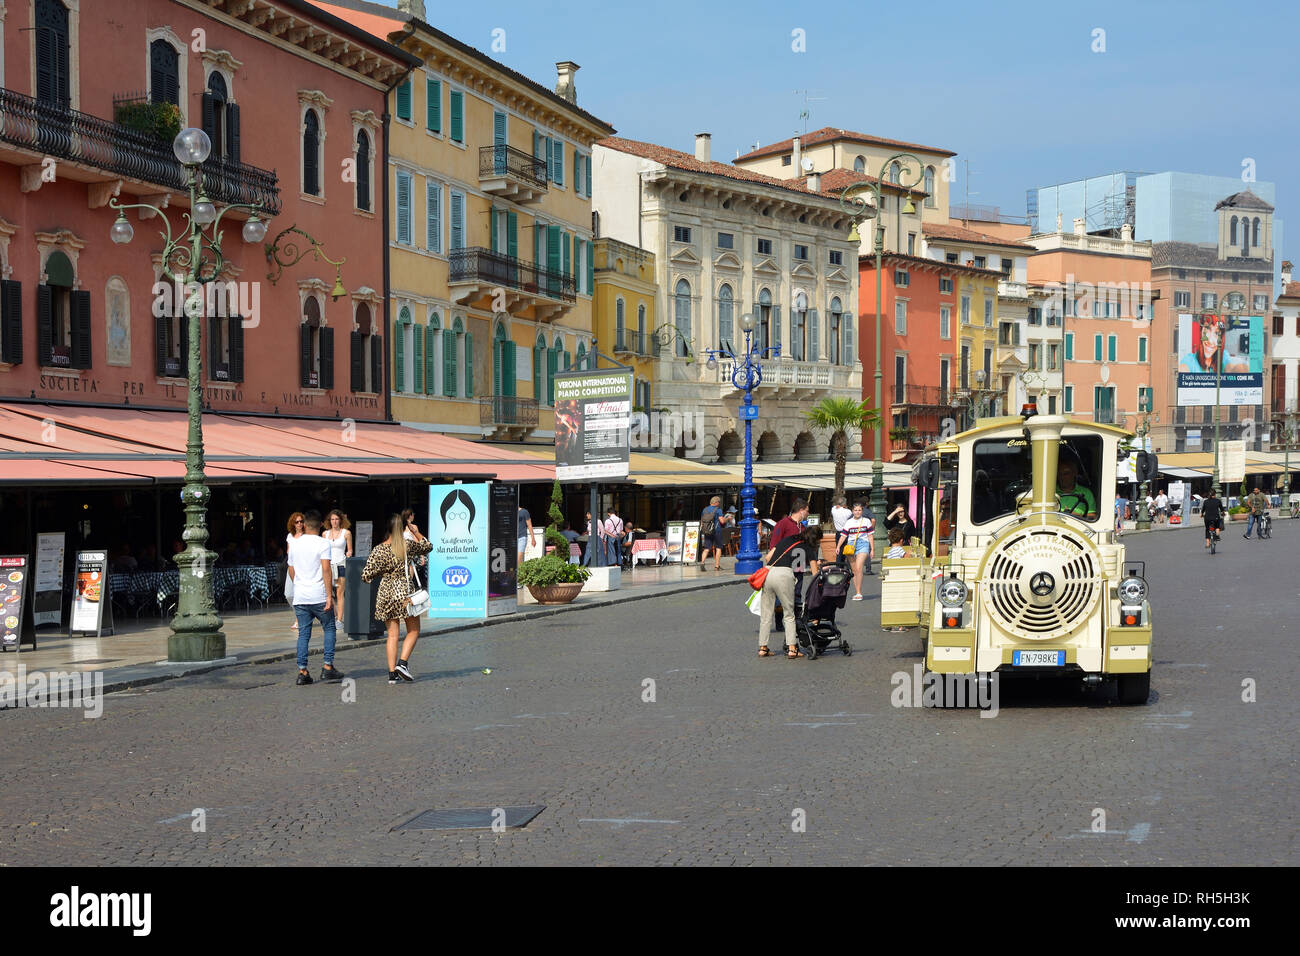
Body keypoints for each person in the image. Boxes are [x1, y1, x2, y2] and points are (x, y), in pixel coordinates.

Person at [362, 513, 432, 684]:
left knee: (392, 635)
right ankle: (403, 663)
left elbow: (366, 575)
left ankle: (392, 674)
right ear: (403, 529)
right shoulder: (407, 545)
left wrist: (383, 572)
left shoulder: (378, 549)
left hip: (386, 592)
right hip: (404, 593)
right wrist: (416, 532)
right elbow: (427, 546)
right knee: (414, 630)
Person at [287, 512, 344, 686]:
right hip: (318, 594)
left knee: (303, 634)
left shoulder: (294, 543)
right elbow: (326, 569)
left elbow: (290, 568)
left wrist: (299, 584)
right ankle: (327, 667)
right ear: (321, 525)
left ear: (304, 525)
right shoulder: (323, 543)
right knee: (329, 628)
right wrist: (329, 596)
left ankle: (302, 671)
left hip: (301, 596)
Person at [757, 526, 821, 659]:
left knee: (766, 614)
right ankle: (792, 649)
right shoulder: (808, 547)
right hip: (785, 575)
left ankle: (763, 648)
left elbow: (768, 557)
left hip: (769, 573)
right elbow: (815, 573)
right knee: (789, 614)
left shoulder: (786, 539)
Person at [836, 500, 874, 600]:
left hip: (863, 544)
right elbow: (843, 536)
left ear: (862, 511)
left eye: (859, 510)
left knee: (858, 567)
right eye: (856, 510)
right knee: (854, 570)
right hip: (851, 545)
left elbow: (870, 536)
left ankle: (858, 592)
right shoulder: (849, 522)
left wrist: (872, 549)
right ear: (852, 511)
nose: (857, 512)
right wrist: (838, 546)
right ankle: (857, 591)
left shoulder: (866, 521)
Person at [324, 510, 352, 628]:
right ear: (329, 521)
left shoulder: (346, 533)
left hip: (341, 564)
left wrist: (349, 553)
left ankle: (340, 620)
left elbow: (350, 549)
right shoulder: (325, 534)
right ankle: (335, 615)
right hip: (328, 565)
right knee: (328, 592)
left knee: (340, 592)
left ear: (340, 520)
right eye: (332, 519)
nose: (334, 521)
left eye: (336, 519)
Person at [699, 495, 732, 571]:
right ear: (716, 502)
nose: (719, 504)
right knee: (718, 548)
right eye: (719, 502)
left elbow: (702, 521)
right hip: (716, 531)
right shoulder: (718, 510)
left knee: (707, 548)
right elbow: (722, 521)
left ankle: (702, 563)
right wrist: (728, 518)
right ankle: (717, 566)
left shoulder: (705, 510)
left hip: (707, 531)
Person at [285, 512, 305, 629]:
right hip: (292, 566)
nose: (299, 524)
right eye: (297, 522)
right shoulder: (290, 536)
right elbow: (288, 551)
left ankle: (299, 618)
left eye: (301, 521)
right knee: (289, 594)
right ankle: (300, 614)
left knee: (300, 592)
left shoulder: (306, 536)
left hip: (303, 567)